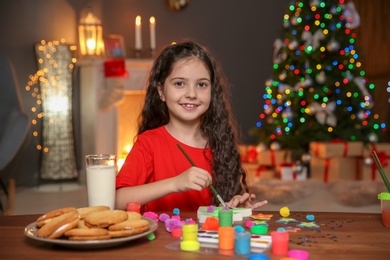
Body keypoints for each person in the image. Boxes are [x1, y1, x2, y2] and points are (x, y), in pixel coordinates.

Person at [115, 41, 267, 212]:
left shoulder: (220, 144)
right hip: (161, 238)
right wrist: (175, 183)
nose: (191, 94)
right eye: (180, 83)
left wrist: (234, 208)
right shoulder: (148, 143)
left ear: (212, 91)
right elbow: (118, 200)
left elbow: (218, 209)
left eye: (201, 85)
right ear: (161, 91)